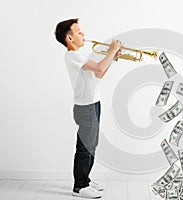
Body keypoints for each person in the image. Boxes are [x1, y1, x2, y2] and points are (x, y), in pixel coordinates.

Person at [54, 18, 122, 199]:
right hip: (85, 108)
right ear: (69, 39)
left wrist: (112, 57)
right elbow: (99, 66)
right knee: (85, 147)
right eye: (79, 32)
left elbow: (99, 72)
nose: (83, 34)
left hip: (93, 104)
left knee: (91, 145)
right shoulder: (73, 55)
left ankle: (86, 180)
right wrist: (112, 51)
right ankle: (80, 186)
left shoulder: (81, 56)